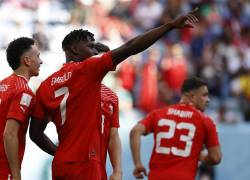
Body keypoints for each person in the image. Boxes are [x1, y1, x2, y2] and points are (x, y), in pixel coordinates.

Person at [29, 9, 198, 180]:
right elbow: (130, 47)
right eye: (90, 47)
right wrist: (169, 26)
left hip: (63, 165)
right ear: (73, 49)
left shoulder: (46, 85)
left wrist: (60, 153)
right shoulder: (86, 70)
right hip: (86, 164)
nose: (95, 52)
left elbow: (35, 134)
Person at [130, 77, 222, 180]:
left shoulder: (158, 114)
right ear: (192, 96)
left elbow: (135, 131)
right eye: (204, 95)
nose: (208, 100)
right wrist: (200, 156)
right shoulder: (206, 121)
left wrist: (138, 164)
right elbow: (216, 158)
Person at [0, 37, 42, 180]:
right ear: (27, 61)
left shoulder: (2, 84)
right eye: (38, 56)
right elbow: (9, 134)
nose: (41, 61)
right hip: (3, 169)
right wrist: (16, 174)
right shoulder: (24, 92)